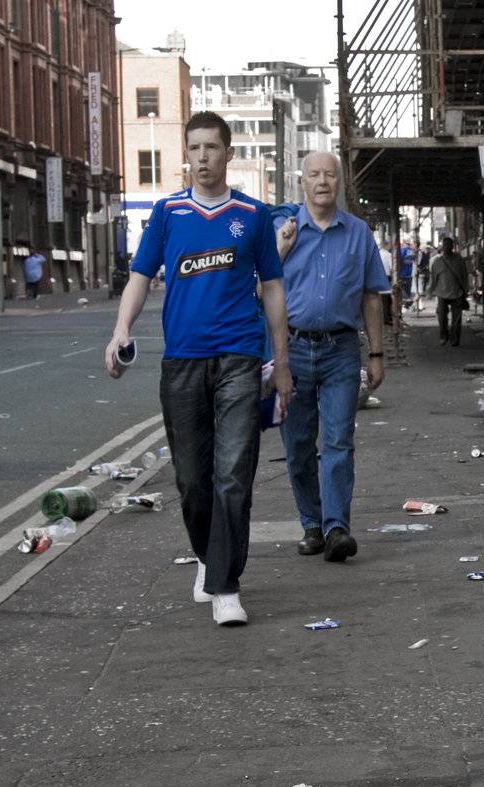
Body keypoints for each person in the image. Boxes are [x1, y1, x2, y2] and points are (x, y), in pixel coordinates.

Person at [104, 111, 292, 626]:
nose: (203, 158)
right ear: (185, 155)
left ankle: (226, 585)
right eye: (194, 149)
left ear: (229, 154)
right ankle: (212, 559)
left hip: (239, 357)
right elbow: (141, 276)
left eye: (212, 147)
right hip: (183, 362)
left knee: (234, 472)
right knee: (191, 479)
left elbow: (273, 290)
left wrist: (282, 364)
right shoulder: (167, 213)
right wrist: (122, 330)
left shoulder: (253, 215)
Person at [273, 151, 390, 562]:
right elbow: (261, 290)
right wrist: (280, 250)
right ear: (301, 181)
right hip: (293, 349)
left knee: (339, 440)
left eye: (330, 175)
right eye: (314, 175)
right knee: (299, 445)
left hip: (341, 349)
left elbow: (371, 296)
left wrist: (376, 354)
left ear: (339, 182)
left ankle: (337, 526)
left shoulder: (358, 233)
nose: (322, 181)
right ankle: (312, 524)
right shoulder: (283, 231)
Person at [429, 236, 469, 347]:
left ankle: (454, 339)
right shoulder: (437, 261)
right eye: (445, 245)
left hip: (457, 293)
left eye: (449, 245)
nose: (447, 247)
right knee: (442, 316)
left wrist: (466, 290)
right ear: (442, 247)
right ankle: (443, 336)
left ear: (452, 247)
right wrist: (430, 291)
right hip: (442, 293)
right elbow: (433, 278)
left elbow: (464, 276)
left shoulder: (459, 260)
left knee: (456, 319)